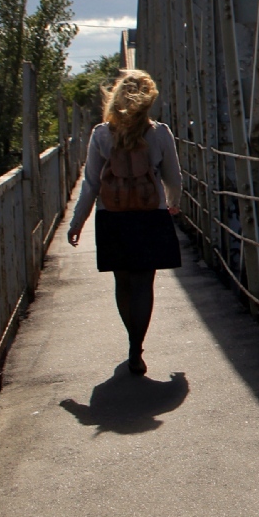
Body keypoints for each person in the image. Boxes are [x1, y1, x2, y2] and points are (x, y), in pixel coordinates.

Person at [68, 69, 183, 376]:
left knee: (123, 283)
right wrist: (172, 204)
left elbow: (91, 183)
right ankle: (137, 347)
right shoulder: (159, 133)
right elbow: (174, 178)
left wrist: (77, 223)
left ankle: (131, 341)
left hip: (112, 217)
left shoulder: (101, 134)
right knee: (145, 283)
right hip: (150, 216)